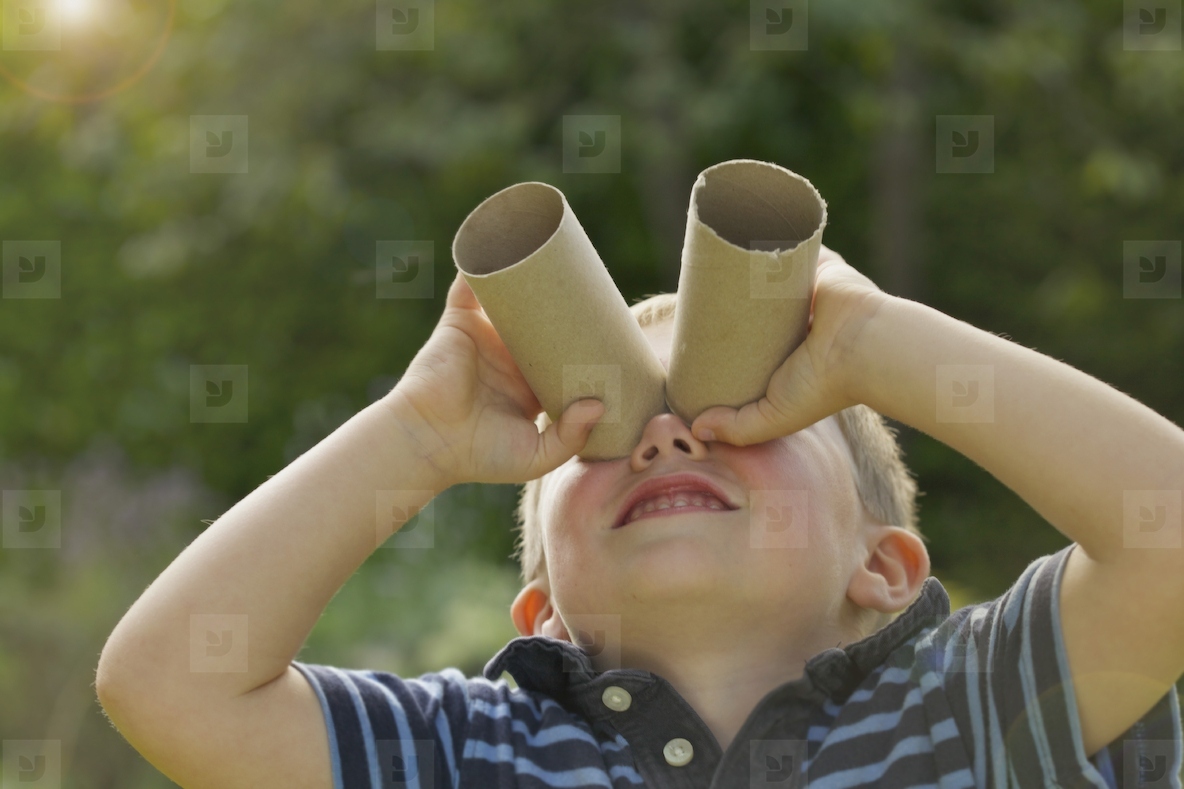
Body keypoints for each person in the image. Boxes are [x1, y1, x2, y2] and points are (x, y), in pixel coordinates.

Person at [95, 245, 1184, 788]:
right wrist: (415, 436)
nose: (667, 438)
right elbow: (169, 685)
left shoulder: (973, 711)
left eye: (737, 419)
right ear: (543, 618)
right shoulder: (481, 753)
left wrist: (873, 344)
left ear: (883, 568)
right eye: (605, 437)